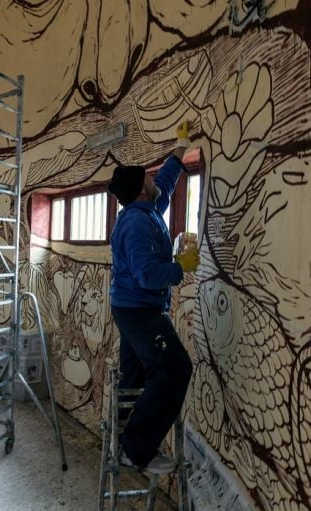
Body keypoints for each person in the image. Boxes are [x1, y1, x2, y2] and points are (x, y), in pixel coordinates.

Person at [106, 121, 200, 474]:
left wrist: (180, 146)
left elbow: (166, 183)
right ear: (140, 190)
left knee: (134, 377)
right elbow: (148, 277)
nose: (153, 179)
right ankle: (135, 449)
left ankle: (120, 438)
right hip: (140, 310)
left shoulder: (144, 210)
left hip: (132, 308)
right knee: (175, 369)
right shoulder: (136, 224)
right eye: (148, 177)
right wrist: (180, 266)